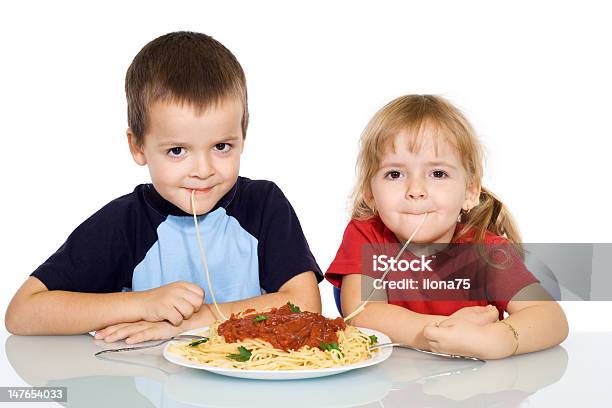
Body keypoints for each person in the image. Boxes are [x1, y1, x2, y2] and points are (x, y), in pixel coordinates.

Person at [5, 31, 322, 343]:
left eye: (222, 146)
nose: (203, 170)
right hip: (150, 386)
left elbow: (306, 305)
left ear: (243, 136)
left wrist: (198, 319)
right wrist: (144, 303)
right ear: (138, 147)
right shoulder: (125, 222)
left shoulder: (264, 205)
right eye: (177, 151)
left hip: (252, 387)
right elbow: (22, 313)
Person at [325, 95, 568, 359]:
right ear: (369, 192)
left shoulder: (486, 252)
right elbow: (363, 314)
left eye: (438, 174)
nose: (415, 190)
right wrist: (441, 333)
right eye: (395, 174)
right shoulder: (366, 235)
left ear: (470, 192)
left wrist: (498, 339)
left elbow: (551, 318)